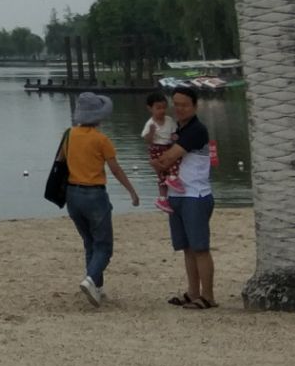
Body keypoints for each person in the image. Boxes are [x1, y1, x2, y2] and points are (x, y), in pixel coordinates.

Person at [63, 90, 139, 306]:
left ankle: (96, 287)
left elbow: (61, 163)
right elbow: (115, 169)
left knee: (89, 242)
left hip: (72, 194)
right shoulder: (101, 140)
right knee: (104, 245)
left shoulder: (68, 135)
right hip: (94, 194)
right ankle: (90, 279)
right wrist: (131, 191)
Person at [156, 85, 216, 308]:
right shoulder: (175, 130)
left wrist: (159, 161)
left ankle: (208, 296)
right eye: (177, 104)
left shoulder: (196, 130)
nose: (180, 109)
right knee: (187, 248)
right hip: (176, 194)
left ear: (195, 106)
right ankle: (192, 292)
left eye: (185, 105)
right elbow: (160, 160)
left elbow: (167, 159)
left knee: (200, 248)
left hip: (195, 195)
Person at [141, 91, 185, 213]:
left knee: (176, 158)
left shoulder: (169, 120)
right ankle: (163, 196)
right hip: (156, 148)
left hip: (168, 146)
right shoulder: (150, 124)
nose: (162, 111)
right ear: (150, 108)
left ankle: (171, 179)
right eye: (158, 108)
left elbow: (174, 134)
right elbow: (147, 140)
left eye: (164, 108)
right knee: (162, 173)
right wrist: (151, 132)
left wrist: (174, 137)